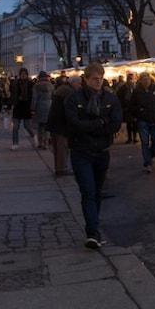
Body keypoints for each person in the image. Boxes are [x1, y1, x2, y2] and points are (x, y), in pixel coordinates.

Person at [64, 62, 123, 249]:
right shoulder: (75, 99)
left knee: (96, 191)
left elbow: (116, 123)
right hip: (81, 151)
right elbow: (74, 124)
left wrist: (94, 126)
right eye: (94, 79)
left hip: (102, 151)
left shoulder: (110, 99)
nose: (98, 82)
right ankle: (92, 232)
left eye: (100, 78)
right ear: (86, 80)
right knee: (88, 191)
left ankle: (94, 228)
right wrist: (99, 124)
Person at [130, 72, 155, 173]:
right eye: (144, 79)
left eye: (148, 79)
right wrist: (138, 112)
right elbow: (131, 105)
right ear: (141, 80)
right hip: (142, 120)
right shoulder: (137, 91)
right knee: (145, 142)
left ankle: (151, 156)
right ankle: (147, 163)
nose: (146, 81)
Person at [47, 75, 81, 176]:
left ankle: (59, 167)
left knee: (57, 147)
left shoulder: (62, 88)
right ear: (73, 82)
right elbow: (69, 108)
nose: (80, 85)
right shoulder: (69, 91)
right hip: (61, 123)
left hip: (54, 121)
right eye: (79, 83)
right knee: (62, 146)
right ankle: (62, 168)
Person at [9, 67, 36, 150]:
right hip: (17, 107)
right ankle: (15, 143)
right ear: (20, 75)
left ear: (27, 75)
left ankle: (34, 136)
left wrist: (32, 108)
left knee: (27, 126)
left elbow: (33, 97)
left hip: (27, 108)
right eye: (22, 74)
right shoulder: (15, 84)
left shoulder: (30, 84)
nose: (23, 76)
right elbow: (12, 96)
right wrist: (9, 106)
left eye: (24, 74)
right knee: (15, 127)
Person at [30, 71, 55, 150]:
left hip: (39, 106)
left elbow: (34, 98)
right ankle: (46, 143)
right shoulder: (51, 86)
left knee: (39, 126)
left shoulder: (36, 86)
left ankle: (40, 143)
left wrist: (32, 108)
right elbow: (53, 97)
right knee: (46, 127)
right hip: (49, 106)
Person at [116, 72, 138, 143]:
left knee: (134, 123)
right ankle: (130, 137)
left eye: (131, 79)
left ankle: (134, 137)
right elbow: (119, 97)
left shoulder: (135, 87)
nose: (130, 80)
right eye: (129, 79)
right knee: (129, 123)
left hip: (134, 108)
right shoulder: (123, 88)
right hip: (127, 108)